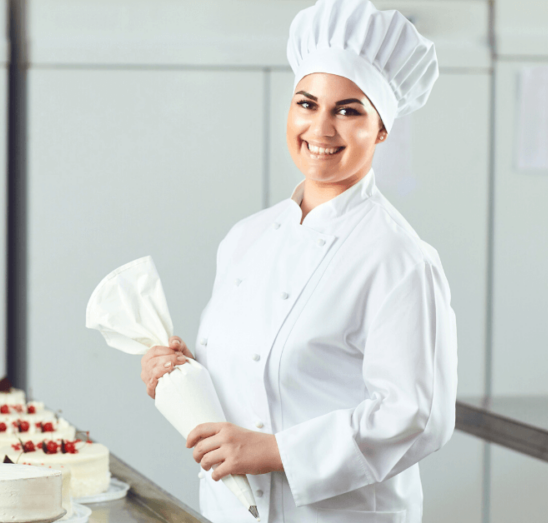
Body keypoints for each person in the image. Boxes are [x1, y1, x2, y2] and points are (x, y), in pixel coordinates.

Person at [140, 0, 457, 521]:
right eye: (307, 104)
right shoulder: (246, 238)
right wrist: (178, 373)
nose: (321, 127)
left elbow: (418, 417)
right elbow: (253, 373)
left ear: (381, 130)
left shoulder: (399, 257)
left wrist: (277, 451)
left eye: (348, 110)